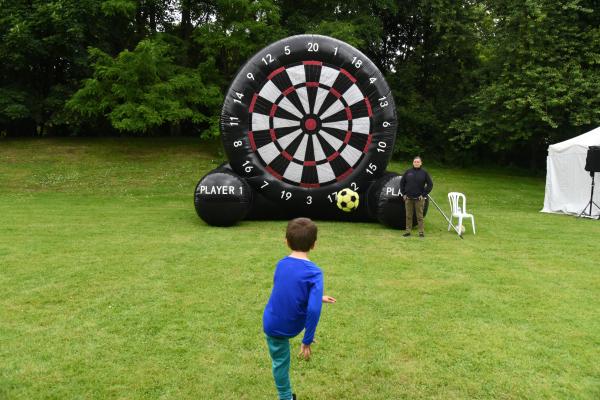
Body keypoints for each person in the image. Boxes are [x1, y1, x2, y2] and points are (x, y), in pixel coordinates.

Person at [263, 217, 336, 400]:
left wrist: (318, 297)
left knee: (279, 362)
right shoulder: (315, 272)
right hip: (292, 325)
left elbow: (289, 289)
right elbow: (313, 310)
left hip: (272, 323)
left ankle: (285, 396)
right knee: (281, 360)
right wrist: (307, 339)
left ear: (286, 241)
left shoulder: (281, 264)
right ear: (314, 245)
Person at [400, 156, 433, 238]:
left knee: (419, 216)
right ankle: (408, 231)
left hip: (419, 199)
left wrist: (424, 194)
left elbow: (430, 184)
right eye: (415, 162)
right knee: (408, 215)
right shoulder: (408, 172)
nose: (416, 163)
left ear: (421, 163)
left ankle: (421, 232)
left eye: (418, 162)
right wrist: (404, 193)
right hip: (408, 198)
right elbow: (402, 183)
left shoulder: (424, 173)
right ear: (413, 163)